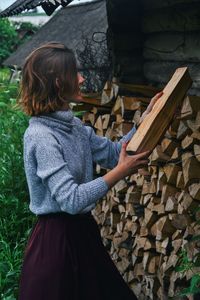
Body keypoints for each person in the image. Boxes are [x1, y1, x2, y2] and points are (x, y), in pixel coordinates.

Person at [17, 42, 162, 300]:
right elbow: (72, 200)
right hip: (56, 245)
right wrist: (121, 172)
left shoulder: (75, 128)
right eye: (76, 73)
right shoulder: (41, 137)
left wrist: (147, 118)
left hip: (84, 235)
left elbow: (114, 152)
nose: (82, 79)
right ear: (59, 84)